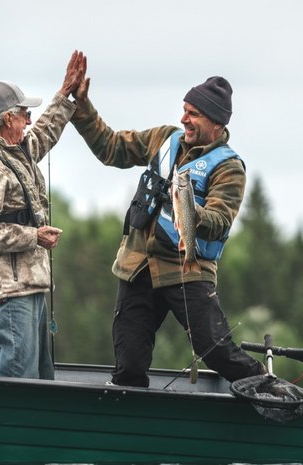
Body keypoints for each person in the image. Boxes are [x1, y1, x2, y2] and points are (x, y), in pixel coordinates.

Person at [71, 67, 266, 387]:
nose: (184, 119)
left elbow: (219, 222)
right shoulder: (164, 138)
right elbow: (111, 147)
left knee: (215, 351)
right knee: (129, 365)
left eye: (194, 114)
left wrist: (188, 209)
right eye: (185, 111)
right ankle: (129, 429)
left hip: (187, 268)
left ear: (217, 123)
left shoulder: (230, 168)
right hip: (137, 265)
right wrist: (81, 106)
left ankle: (266, 387)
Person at [0, 50, 85, 380]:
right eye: (25, 113)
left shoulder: (16, 151)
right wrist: (33, 236)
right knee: (17, 382)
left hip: (30, 285)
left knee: (40, 382)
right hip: (10, 292)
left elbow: (45, 132)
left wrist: (65, 94)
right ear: (9, 119)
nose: (29, 119)